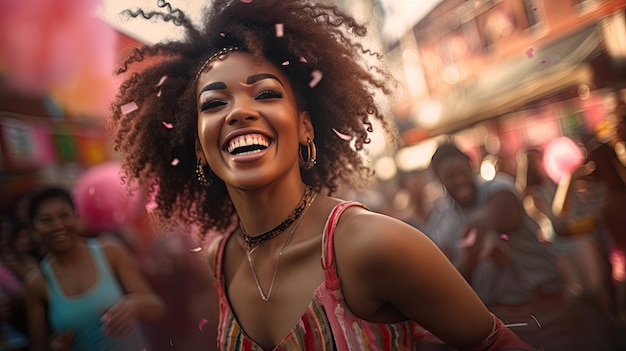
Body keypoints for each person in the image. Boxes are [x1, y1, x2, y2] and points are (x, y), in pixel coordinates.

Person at [109, 0, 536, 350]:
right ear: (200, 145)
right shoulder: (218, 262)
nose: (239, 111)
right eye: (214, 103)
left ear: (306, 128)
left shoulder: (371, 244)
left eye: (266, 94)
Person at [425, 142, 601, 350]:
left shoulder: (498, 186)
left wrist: (484, 228)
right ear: (439, 179)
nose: (460, 180)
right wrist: (469, 260)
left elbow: (506, 213)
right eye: (450, 177)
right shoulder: (440, 222)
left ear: (470, 165)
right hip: (501, 322)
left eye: (463, 172)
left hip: (547, 310)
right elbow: (450, 278)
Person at [24, 186, 165, 351]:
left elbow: (157, 308)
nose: (57, 225)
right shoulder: (36, 283)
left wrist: (133, 305)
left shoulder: (110, 251)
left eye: (64, 215)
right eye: (46, 220)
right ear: (34, 228)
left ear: (77, 217)